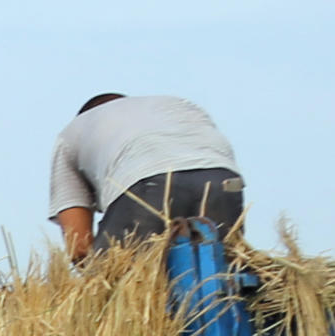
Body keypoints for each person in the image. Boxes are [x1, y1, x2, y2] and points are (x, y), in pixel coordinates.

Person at [50, 95, 244, 261]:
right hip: (222, 177)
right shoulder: (178, 104)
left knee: (116, 274)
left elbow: (80, 246)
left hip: (145, 181)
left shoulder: (71, 133)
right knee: (223, 267)